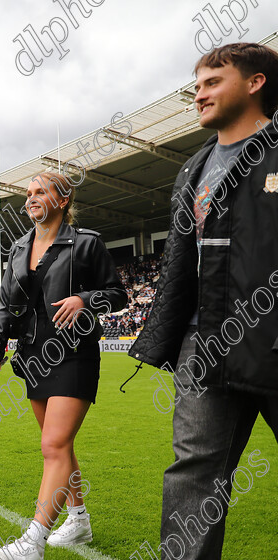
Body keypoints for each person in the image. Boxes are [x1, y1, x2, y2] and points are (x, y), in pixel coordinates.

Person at [128, 43, 278, 560]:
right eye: (196, 84)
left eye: (212, 81)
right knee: (193, 472)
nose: (199, 93)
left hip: (273, 336)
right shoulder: (193, 167)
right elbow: (179, 265)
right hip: (207, 343)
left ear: (256, 82)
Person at [0, 173, 126, 559]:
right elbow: (5, 305)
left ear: (62, 200)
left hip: (74, 353)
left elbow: (118, 294)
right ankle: (78, 519)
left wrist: (84, 299)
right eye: (28, 194)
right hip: (32, 357)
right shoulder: (17, 248)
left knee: (53, 445)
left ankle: (33, 542)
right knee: (60, 445)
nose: (31, 199)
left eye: (40, 192)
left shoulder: (86, 243)